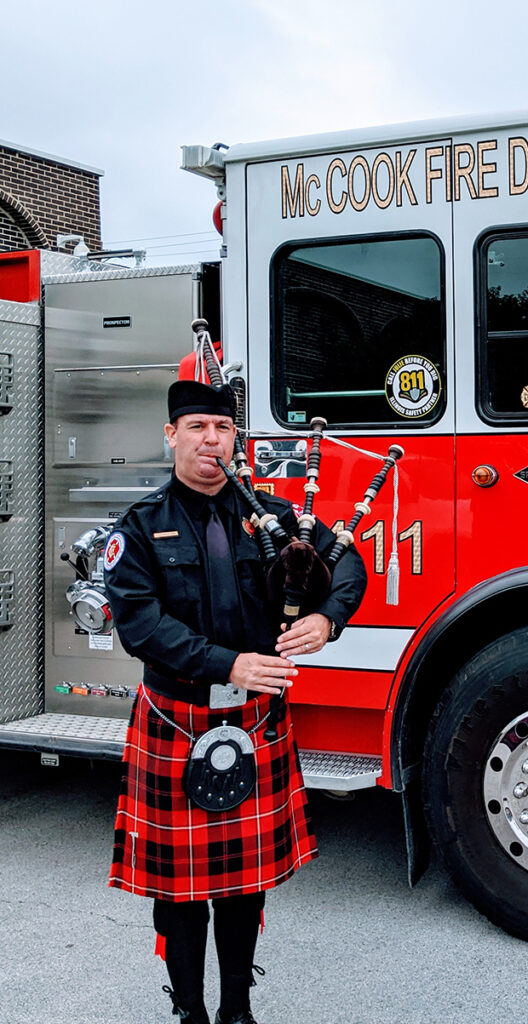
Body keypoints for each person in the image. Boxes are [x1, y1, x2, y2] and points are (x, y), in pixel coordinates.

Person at [104, 379, 367, 1024]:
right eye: (196, 428)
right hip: (178, 717)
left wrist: (328, 619)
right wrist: (231, 663)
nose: (210, 441)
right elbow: (141, 626)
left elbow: (348, 561)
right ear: (172, 436)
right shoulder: (140, 529)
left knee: (244, 887)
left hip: (254, 719)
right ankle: (191, 1011)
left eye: (221, 429)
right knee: (181, 893)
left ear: (235, 439)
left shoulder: (274, 519)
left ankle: (238, 1012)